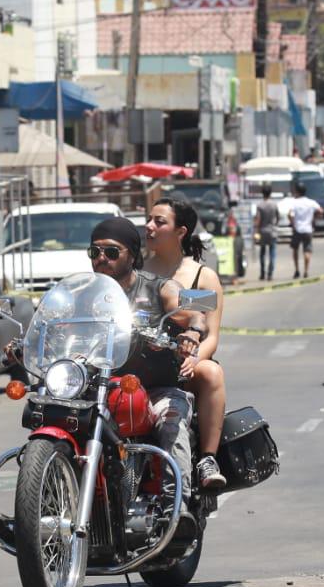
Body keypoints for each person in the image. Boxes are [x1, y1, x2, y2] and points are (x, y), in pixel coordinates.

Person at [87, 216, 212, 490]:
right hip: (98, 389)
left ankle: (176, 506)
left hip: (156, 389)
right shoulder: (85, 293)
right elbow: (55, 321)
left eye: (110, 251)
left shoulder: (159, 287)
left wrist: (192, 332)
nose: (101, 259)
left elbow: (197, 314)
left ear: (131, 255)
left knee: (171, 426)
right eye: (94, 252)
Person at [144, 197, 228, 490]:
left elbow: (211, 335)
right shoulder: (135, 271)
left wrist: (192, 360)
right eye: (149, 219)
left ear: (180, 232)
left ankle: (207, 457)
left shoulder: (200, 277)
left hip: (182, 367)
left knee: (211, 372)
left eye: (159, 221)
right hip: (138, 365)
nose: (149, 227)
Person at [288, 182, 323, 279]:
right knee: (307, 250)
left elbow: (290, 214)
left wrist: (293, 223)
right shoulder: (311, 202)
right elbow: (321, 211)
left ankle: (297, 270)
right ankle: (306, 270)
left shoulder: (294, 202)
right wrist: (314, 218)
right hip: (308, 229)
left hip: (297, 229)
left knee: (295, 249)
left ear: (296, 191)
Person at [254, 185, 281, 281]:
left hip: (262, 231)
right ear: (270, 193)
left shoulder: (260, 205)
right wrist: (275, 225)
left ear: (262, 193)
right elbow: (278, 217)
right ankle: (270, 274)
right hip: (272, 231)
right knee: (272, 253)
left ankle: (262, 273)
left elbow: (258, 219)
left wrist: (256, 230)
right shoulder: (274, 204)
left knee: (262, 252)